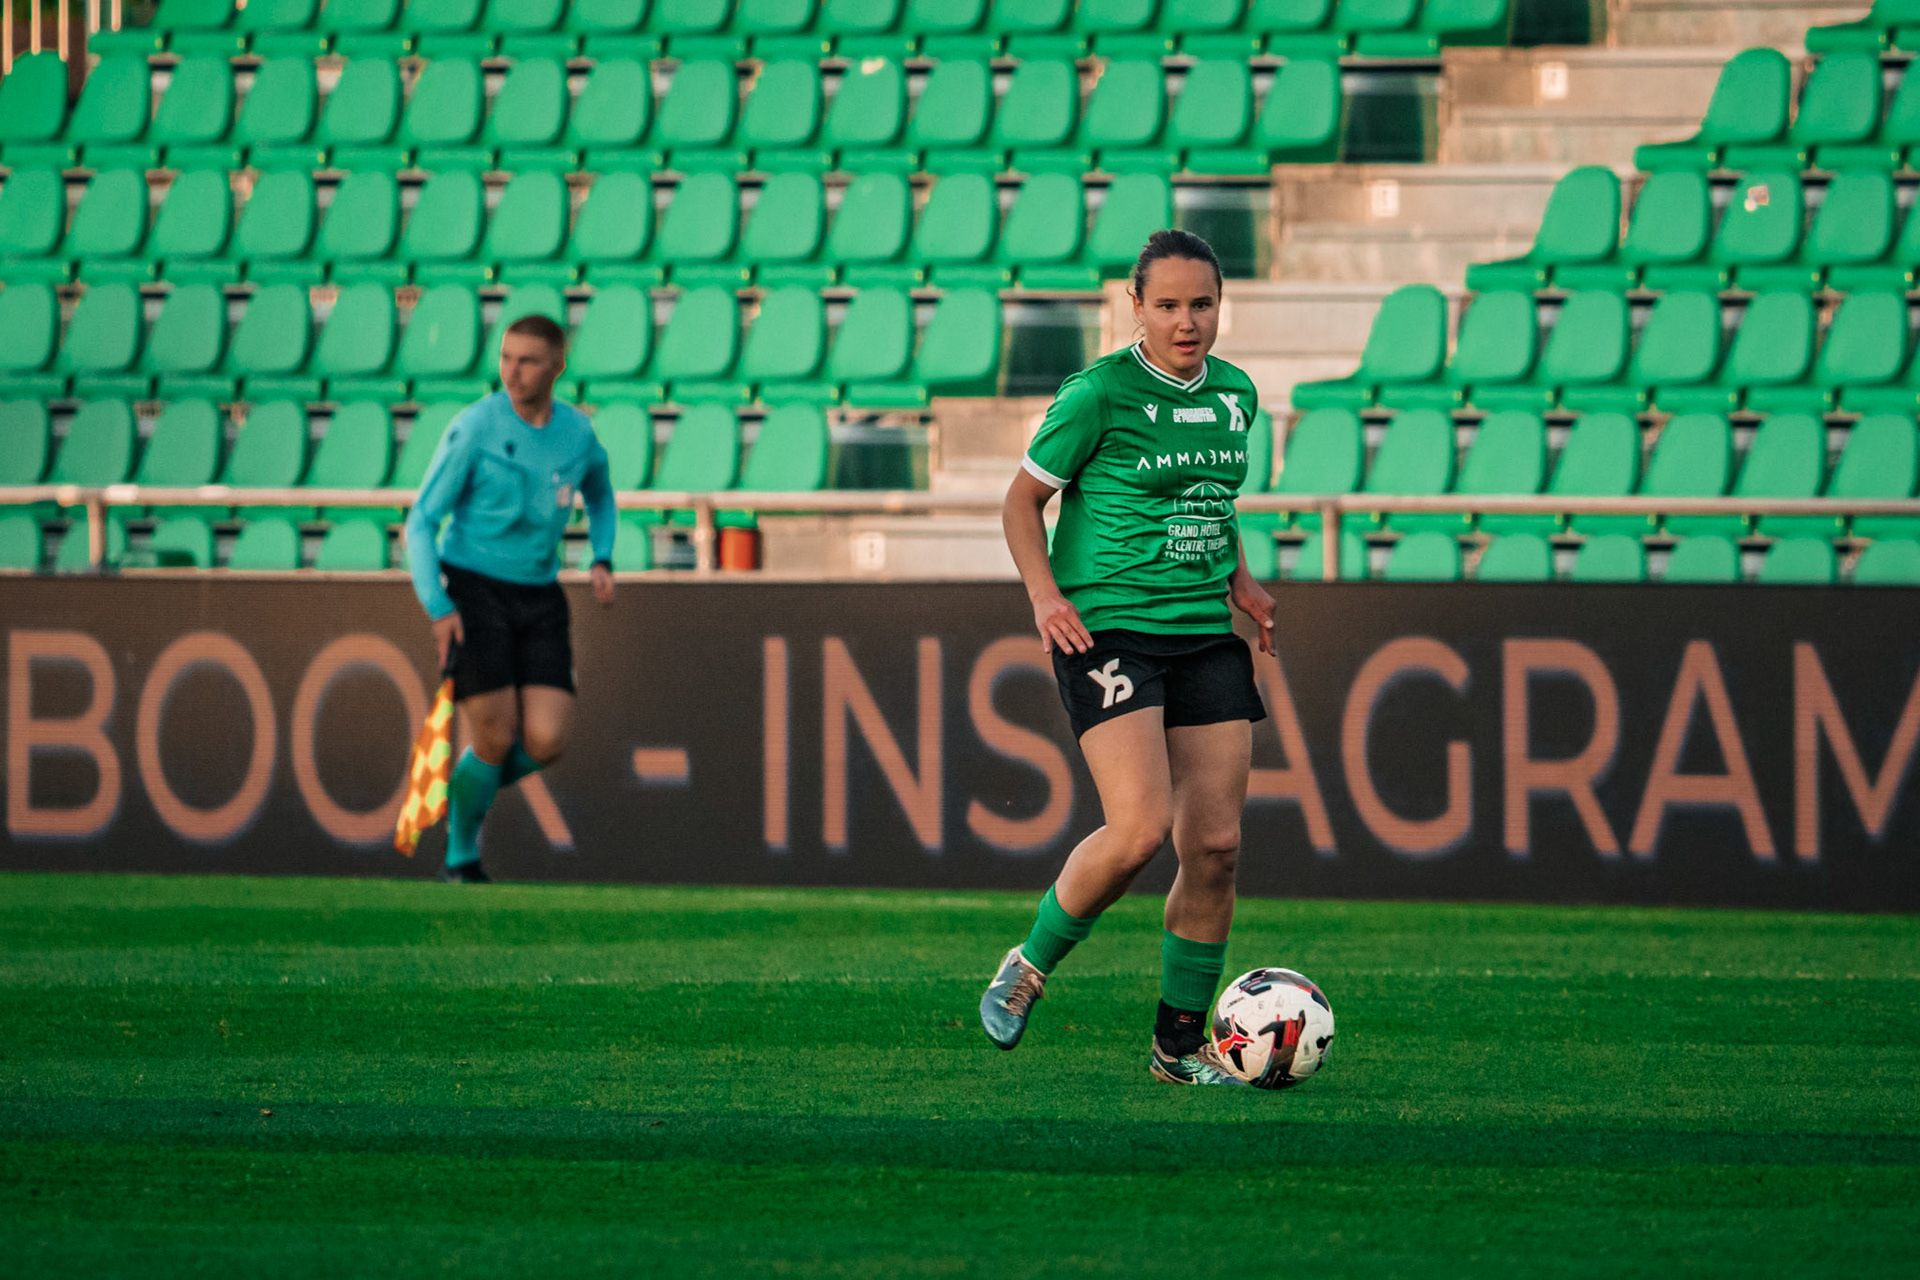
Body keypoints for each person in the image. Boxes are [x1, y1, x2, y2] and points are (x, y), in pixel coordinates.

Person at [980, 229, 1277, 1085]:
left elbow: (1211, 497)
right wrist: (1045, 597)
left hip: (1201, 630)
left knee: (1216, 846)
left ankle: (1178, 1047)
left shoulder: (1235, 395)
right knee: (1141, 829)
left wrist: (1242, 584)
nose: (1188, 322)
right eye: (1171, 305)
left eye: (1204, 305)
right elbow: (1021, 502)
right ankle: (1029, 965)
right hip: (1106, 627)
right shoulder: (1099, 394)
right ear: (1136, 307)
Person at [404, 314, 617, 883]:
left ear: (556, 366)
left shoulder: (577, 434)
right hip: (474, 590)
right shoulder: (475, 427)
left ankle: (463, 793)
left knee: (547, 740)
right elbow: (421, 519)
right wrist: (439, 606)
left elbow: (600, 489)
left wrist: (603, 554)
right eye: (505, 358)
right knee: (494, 737)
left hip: (540, 594)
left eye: (526, 360)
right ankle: (461, 853)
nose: (512, 371)